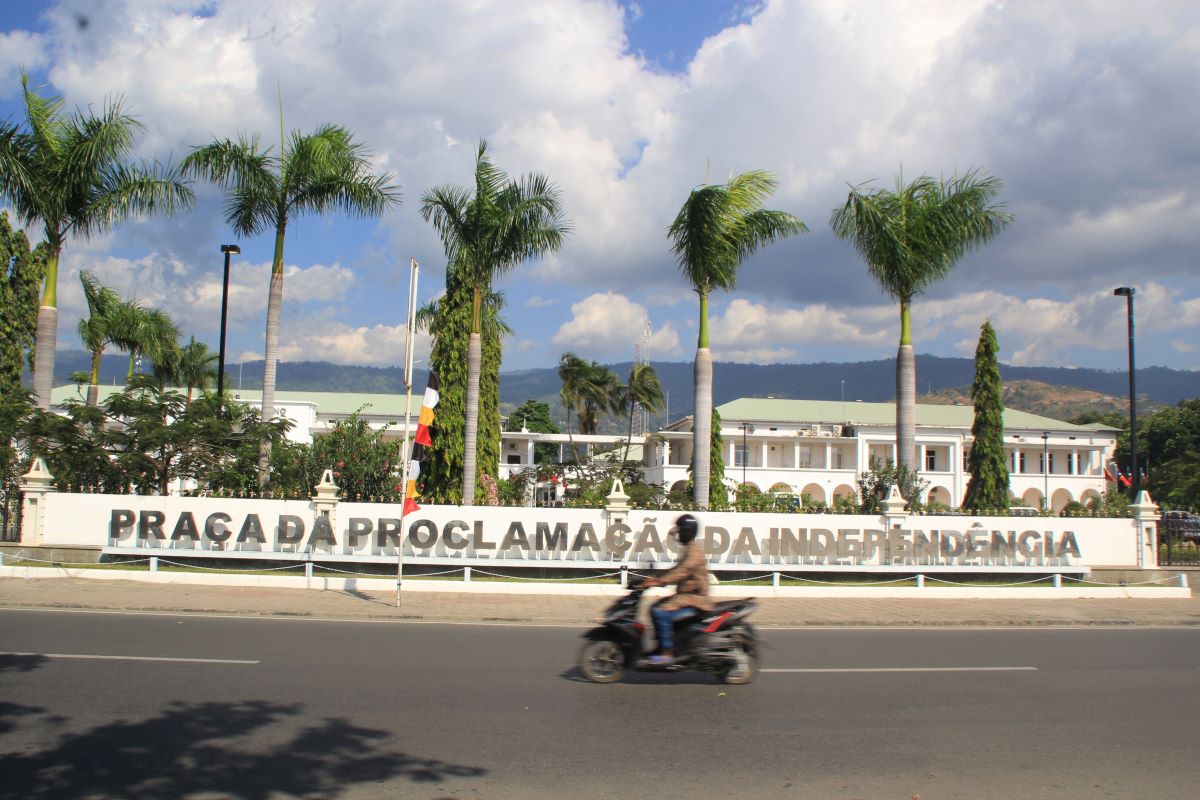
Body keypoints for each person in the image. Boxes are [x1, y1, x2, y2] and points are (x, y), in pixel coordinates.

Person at [641, 513, 713, 664]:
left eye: (680, 531)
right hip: (686, 597)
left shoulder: (694, 552)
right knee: (655, 606)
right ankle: (662, 645)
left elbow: (682, 571)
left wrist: (659, 582)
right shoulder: (689, 549)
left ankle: (667, 653)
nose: (678, 534)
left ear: (687, 531)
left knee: (659, 612)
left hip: (695, 599)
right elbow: (676, 569)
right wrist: (656, 577)